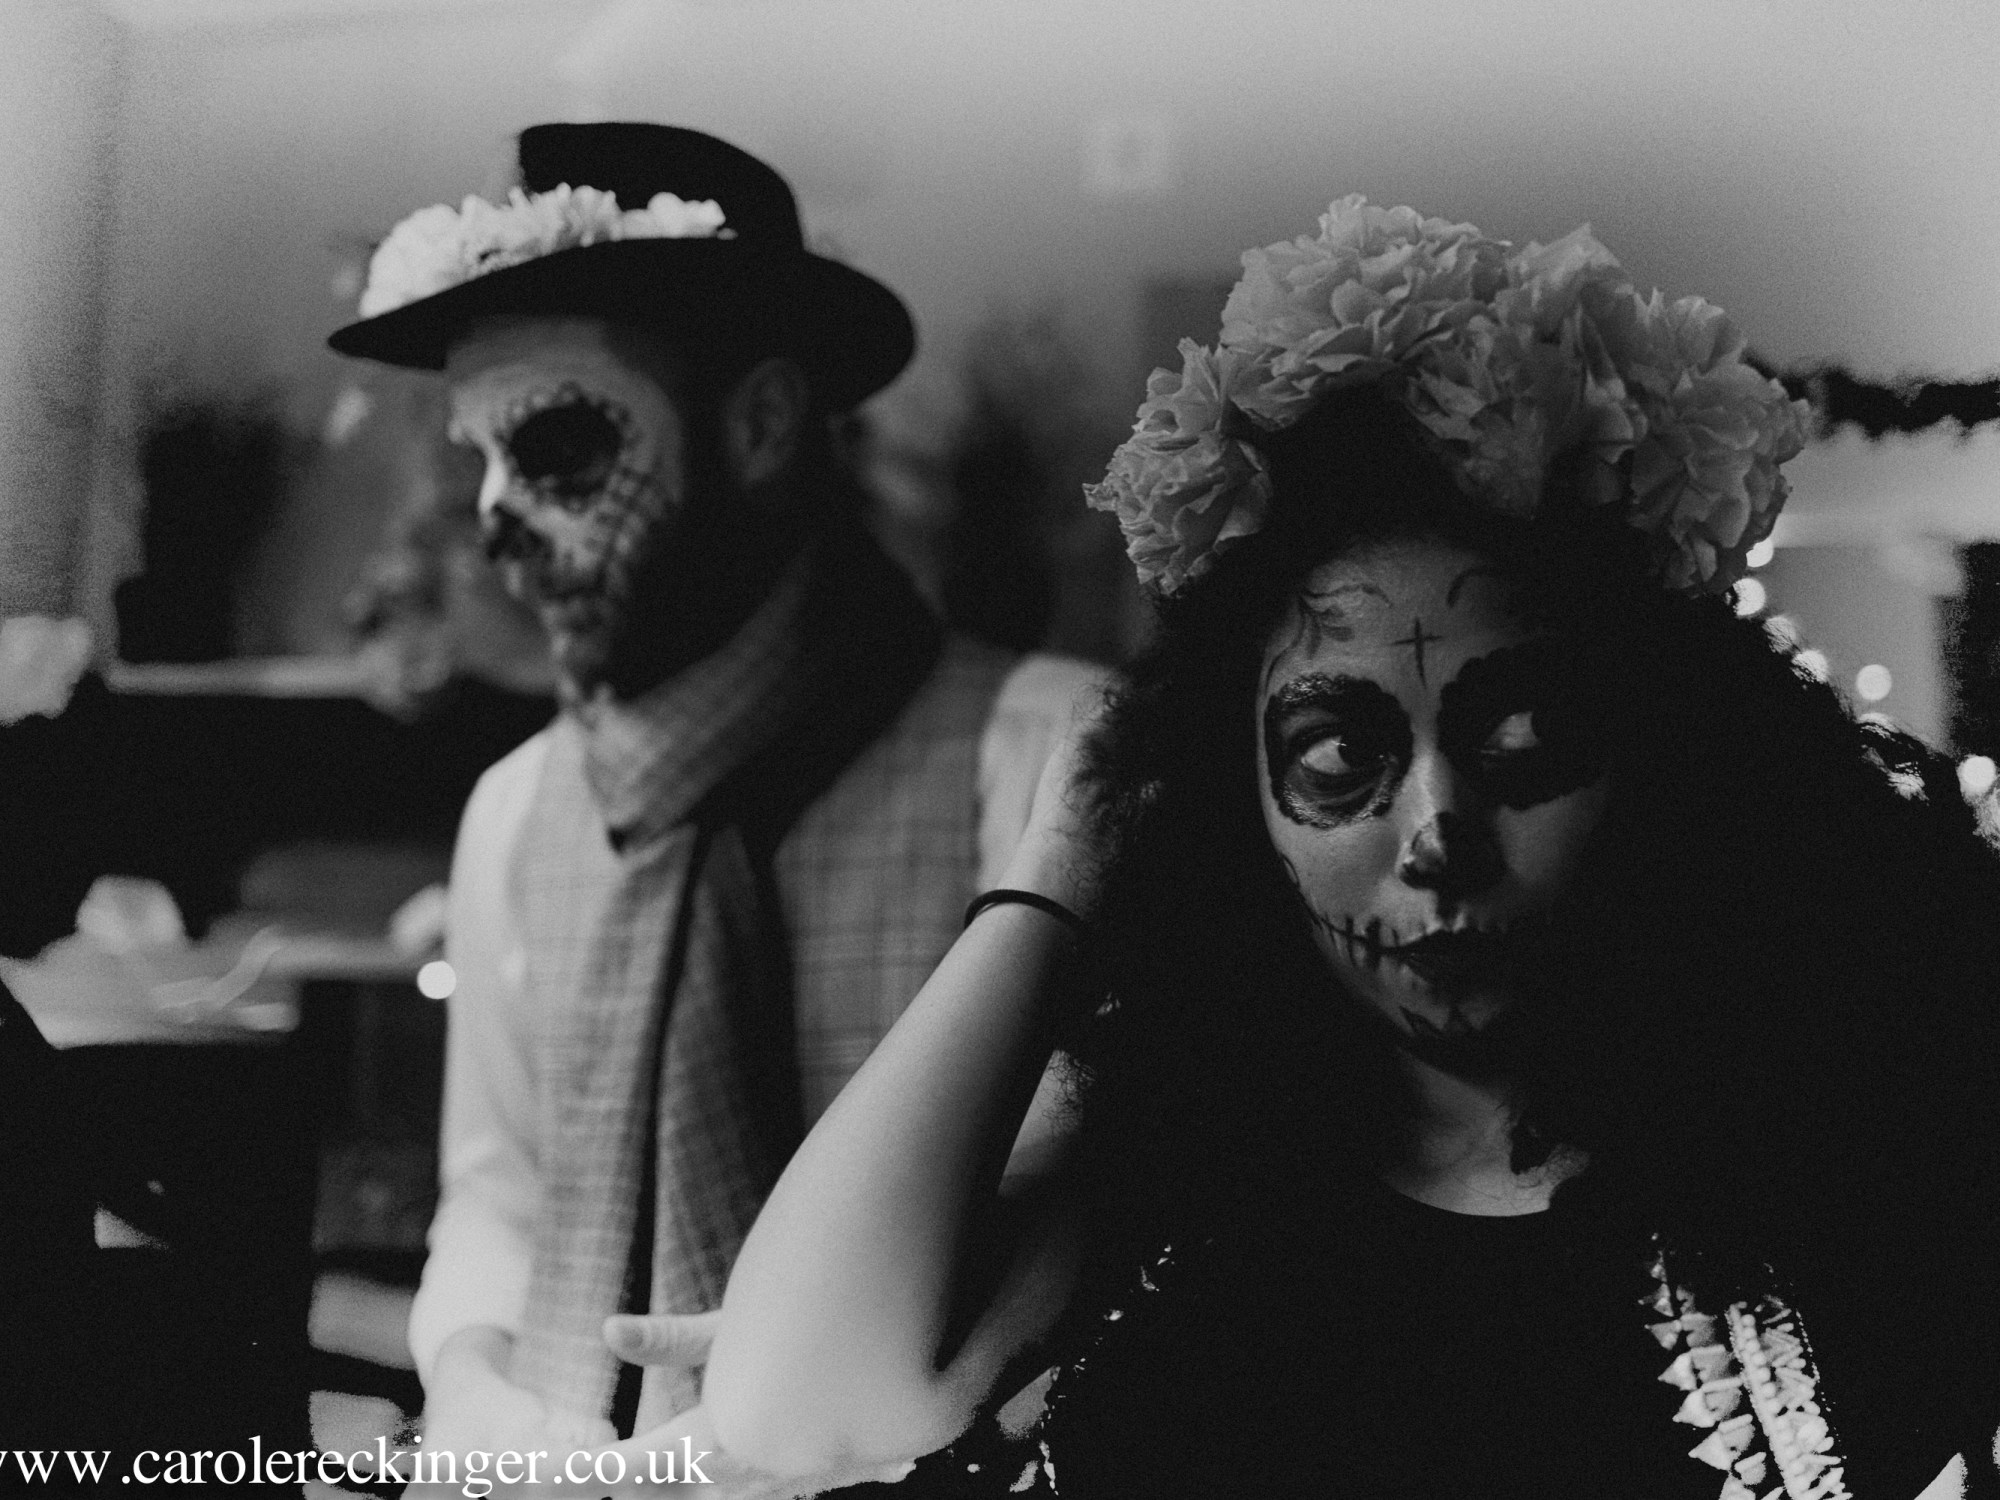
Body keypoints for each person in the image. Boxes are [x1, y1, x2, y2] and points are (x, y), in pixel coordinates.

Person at [645, 200, 2000, 1497]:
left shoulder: (1862, 1170)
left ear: (1659, 746)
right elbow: (792, 1409)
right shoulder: (1159, 1173)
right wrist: (1058, 871)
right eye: (1339, 757)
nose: (1438, 835)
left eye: (1525, 736)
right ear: (1235, 797)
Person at [327, 123, 1097, 1462]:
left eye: (558, 444)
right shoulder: (514, 813)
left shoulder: (1048, 758)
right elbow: (499, 1192)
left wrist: (770, 1428)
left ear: (759, 425)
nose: (496, 515)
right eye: (477, 457)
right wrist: (471, 1384)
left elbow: (1077, 1209)